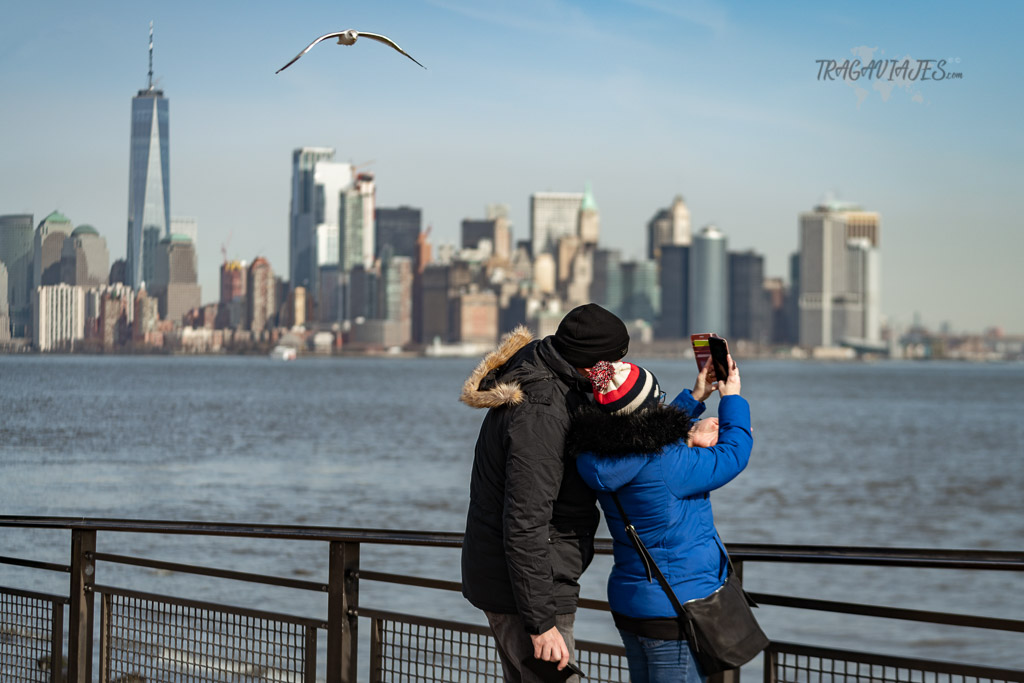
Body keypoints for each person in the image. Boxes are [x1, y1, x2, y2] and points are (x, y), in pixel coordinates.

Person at [460, 303, 630, 682]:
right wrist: (540, 622)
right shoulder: (541, 412)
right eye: (613, 362)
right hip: (529, 595)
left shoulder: (546, 377)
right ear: (590, 364)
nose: (618, 371)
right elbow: (525, 520)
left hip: (520, 584)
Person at [570, 356, 752, 683]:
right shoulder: (668, 463)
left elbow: (646, 434)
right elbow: (733, 455)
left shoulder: (591, 457)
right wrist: (732, 399)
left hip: (631, 603)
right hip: (675, 609)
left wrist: (695, 398)